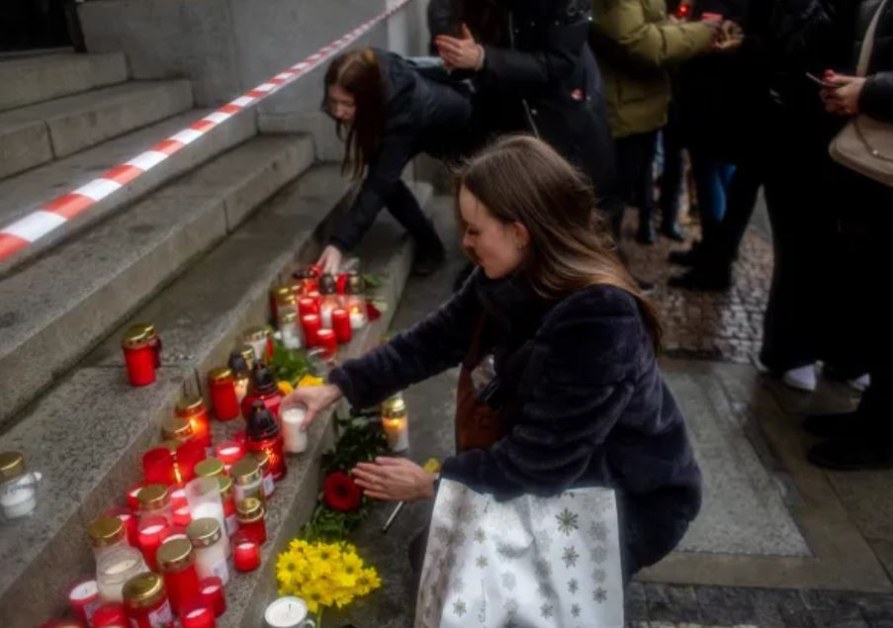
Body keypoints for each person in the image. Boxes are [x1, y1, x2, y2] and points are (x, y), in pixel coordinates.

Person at [285, 135, 703, 580]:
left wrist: (430, 484)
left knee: (468, 577)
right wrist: (336, 387)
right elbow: (432, 340)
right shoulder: (506, 273)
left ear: (519, 233)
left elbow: (538, 465)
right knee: (438, 561)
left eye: (474, 229)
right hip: (563, 474)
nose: (464, 241)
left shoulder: (599, 320)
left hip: (623, 498)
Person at [803, 0, 893, 470]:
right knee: (876, 306)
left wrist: (870, 92)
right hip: (875, 177)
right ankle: (871, 419)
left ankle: (879, 437)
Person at [590, 0, 739, 244]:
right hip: (624, 109)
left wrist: (688, 28)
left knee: (617, 201)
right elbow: (636, 40)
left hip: (636, 106)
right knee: (609, 207)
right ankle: (603, 274)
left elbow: (650, 25)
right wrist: (702, 32)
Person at [316, 47, 474, 276]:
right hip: (417, 120)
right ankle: (429, 242)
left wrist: (339, 244)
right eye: (333, 101)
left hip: (461, 129)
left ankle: (465, 262)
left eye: (348, 104)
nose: (339, 112)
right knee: (386, 181)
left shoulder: (400, 108)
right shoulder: (368, 65)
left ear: (367, 97)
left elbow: (379, 184)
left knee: (474, 194)